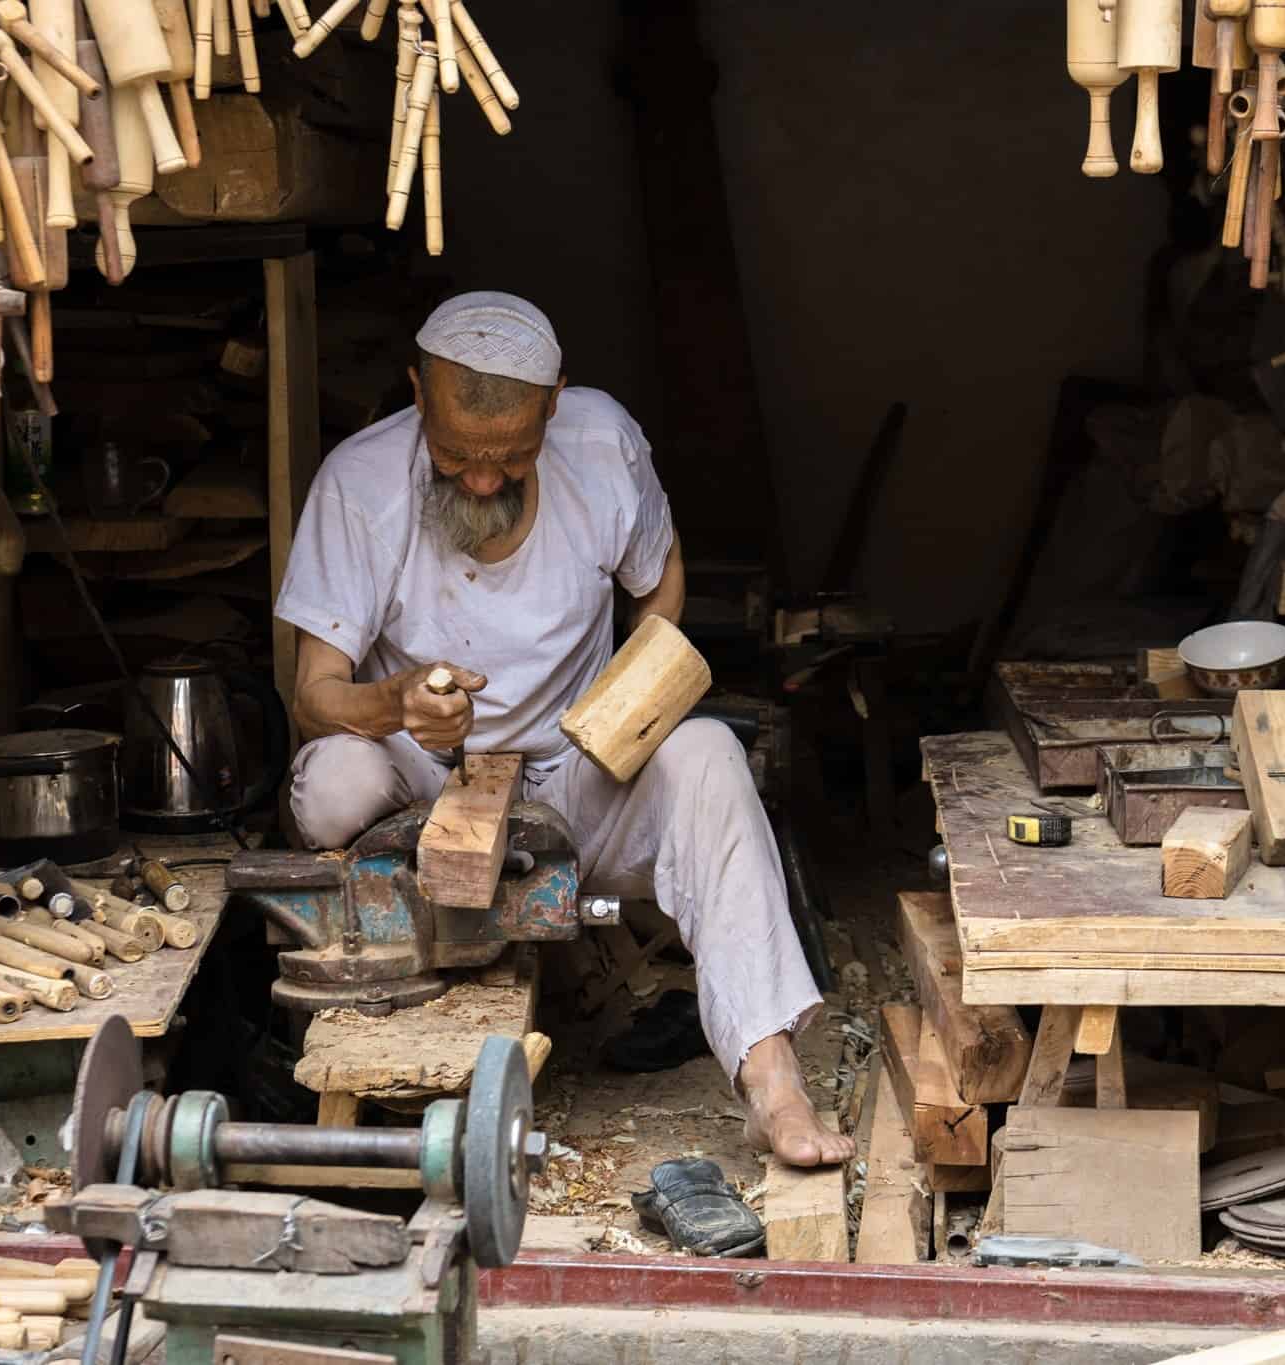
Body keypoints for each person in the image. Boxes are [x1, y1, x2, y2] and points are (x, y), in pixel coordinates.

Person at [273, 291, 854, 1167]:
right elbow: (311, 692)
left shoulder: (601, 443)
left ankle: (774, 1081)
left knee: (707, 753)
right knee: (329, 786)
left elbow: (662, 581)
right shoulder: (358, 483)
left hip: (577, 771)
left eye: (510, 456)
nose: (480, 480)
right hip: (424, 777)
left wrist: (626, 701)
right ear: (417, 399)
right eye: (457, 453)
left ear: (554, 405)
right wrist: (397, 704)